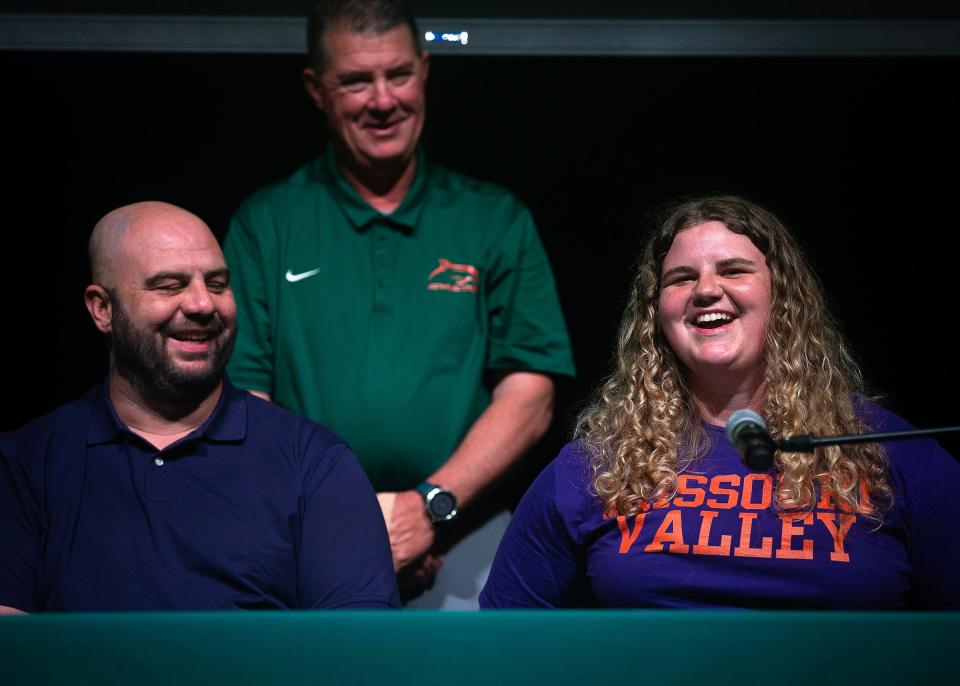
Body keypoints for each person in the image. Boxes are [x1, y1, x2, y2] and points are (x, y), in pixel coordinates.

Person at [223, 0, 574, 607]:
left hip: (467, 535)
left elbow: (532, 392)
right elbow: (245, 399)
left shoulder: (492, 218)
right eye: (356, 81)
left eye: (399, 74)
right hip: (301, 537)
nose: (383, 101)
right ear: (316, 89)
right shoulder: (266, 222)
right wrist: (345, 524)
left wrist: (429, 506)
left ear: (425, 69)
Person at [480, 195, 960, 609]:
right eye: (681, 278)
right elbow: (505, 632)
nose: (706, 290)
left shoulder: (897, 456)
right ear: (656, 314)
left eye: (733, 270)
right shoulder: (596, 466)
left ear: (783, 297)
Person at [0, 201, 399, 613]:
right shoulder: (25, 467)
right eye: (169, 285)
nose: (203, 304)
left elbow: (360, 654)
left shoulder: (314, 464)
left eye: (217, 283)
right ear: (103, 309)